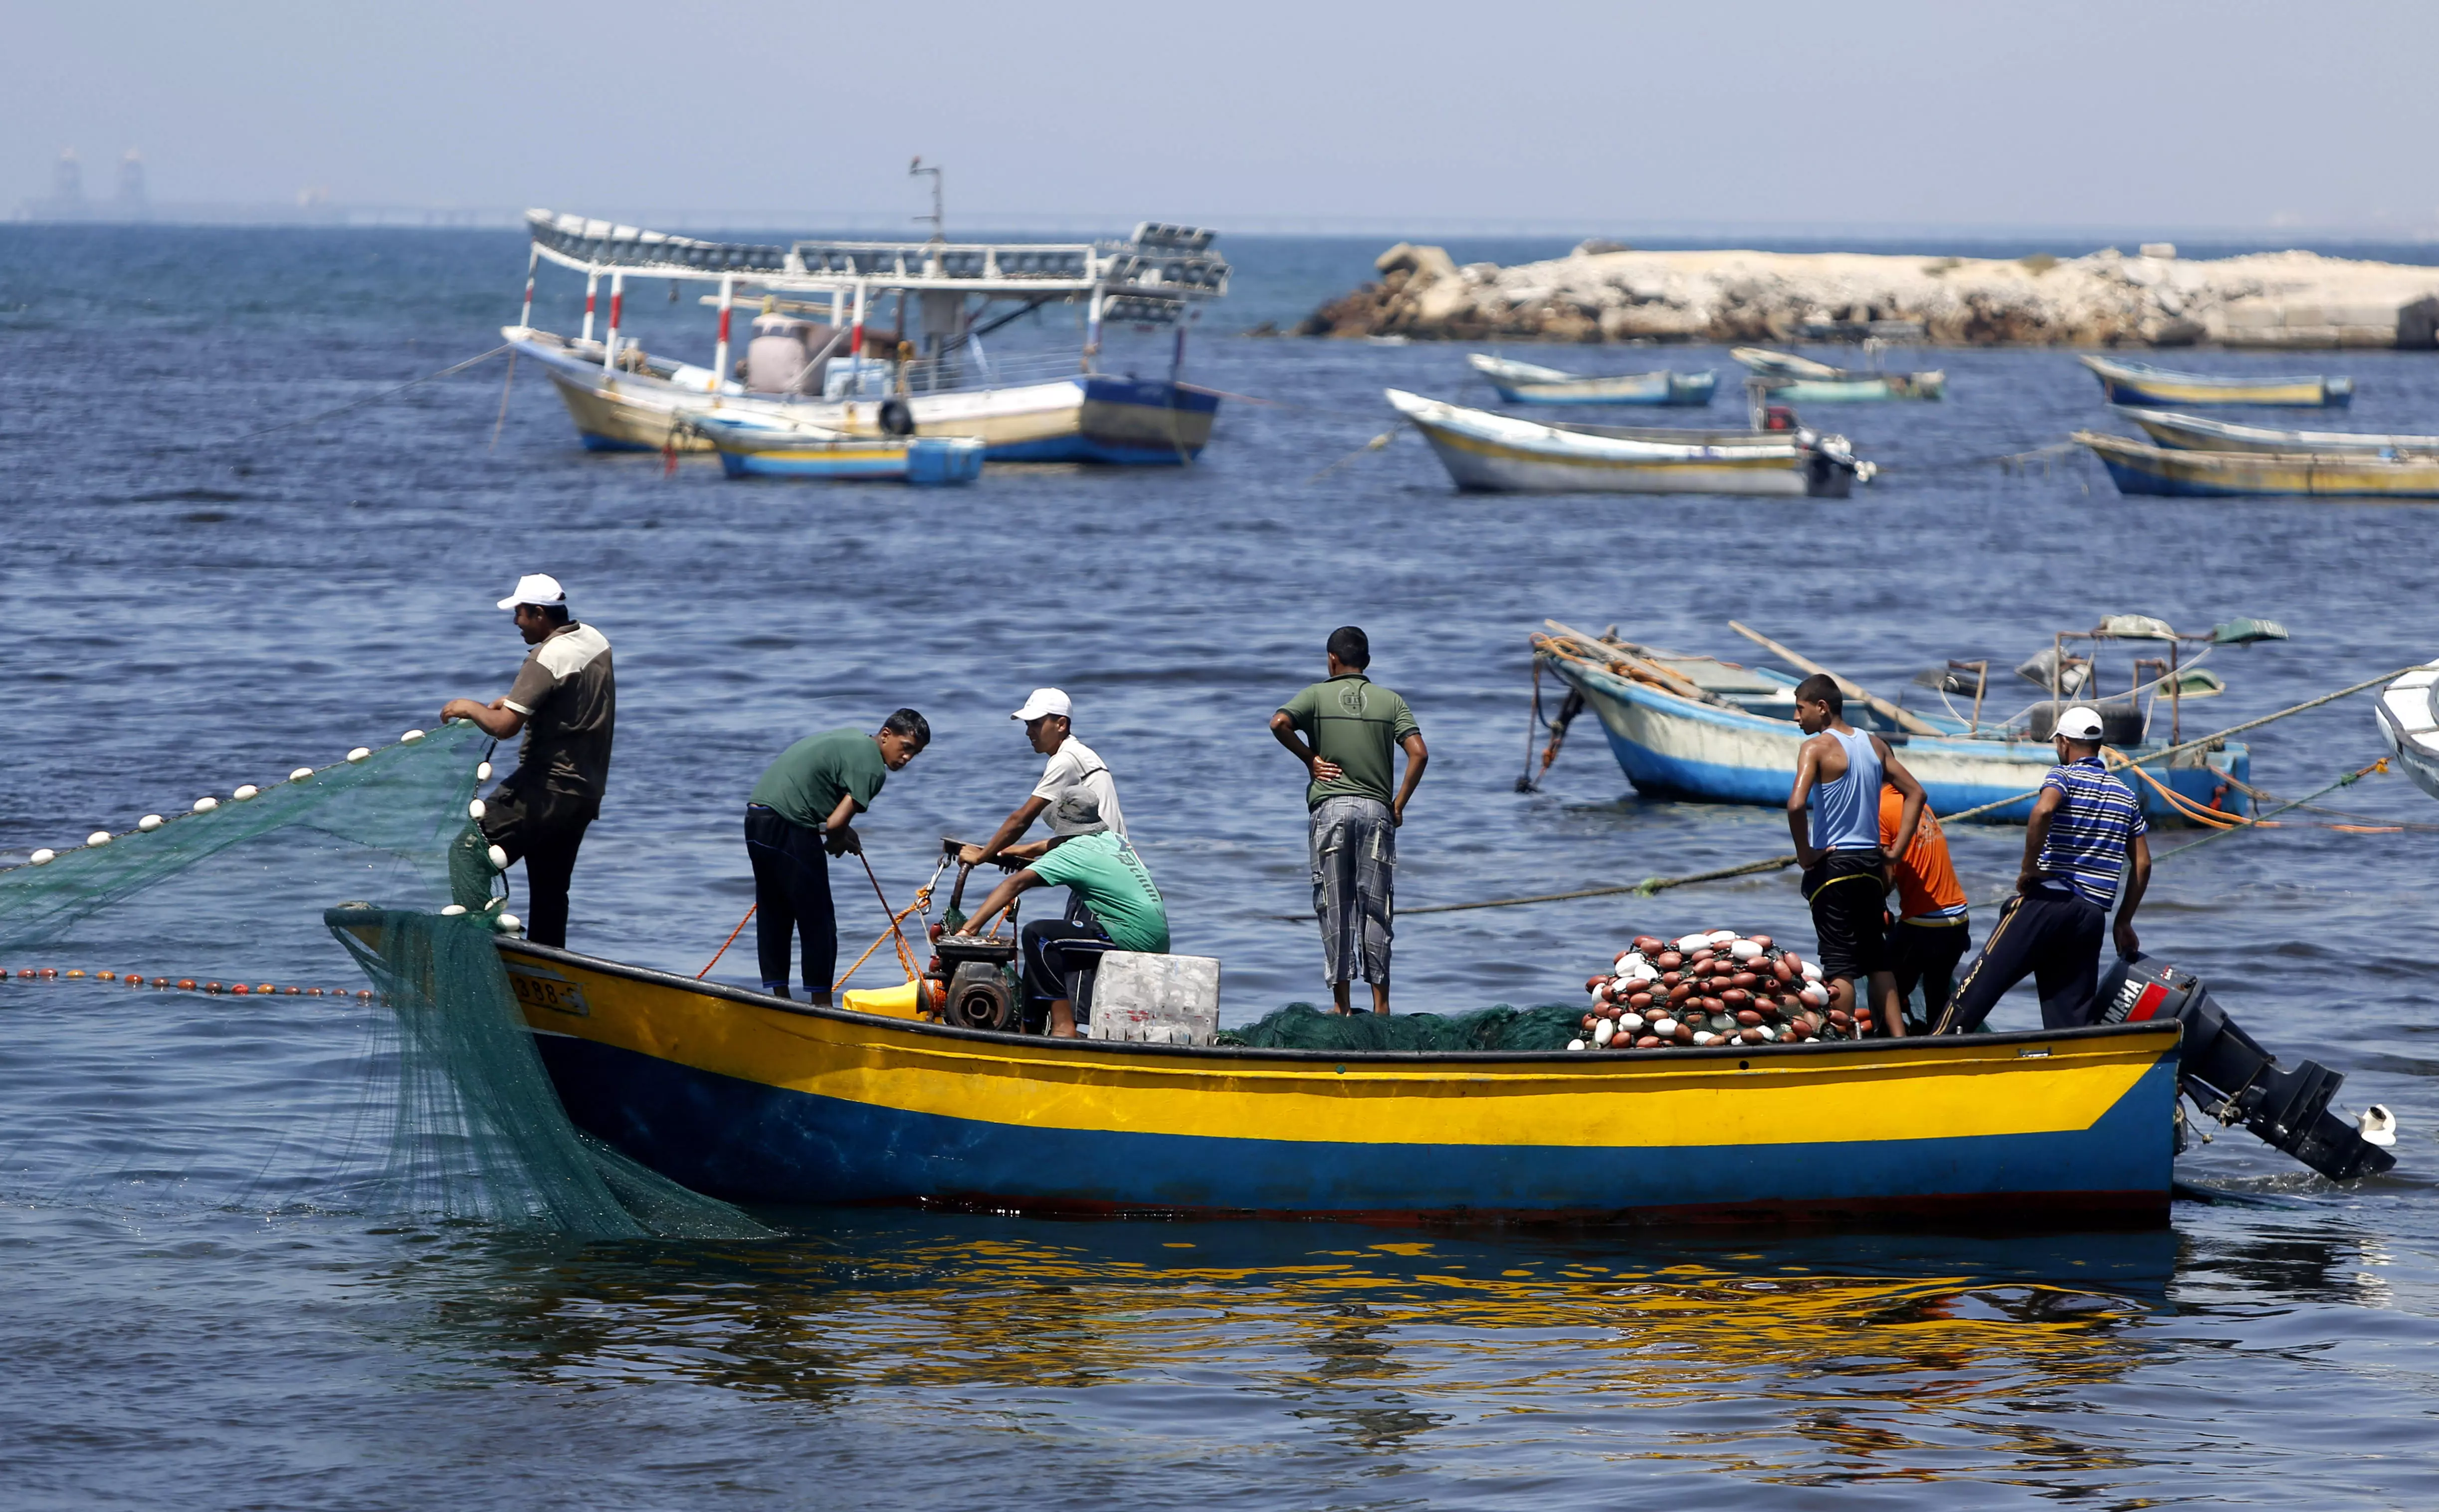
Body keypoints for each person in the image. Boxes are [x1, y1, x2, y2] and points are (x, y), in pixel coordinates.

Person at [1937, 706, 2151, 1032]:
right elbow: (2143, 864)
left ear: (2065, 744)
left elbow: (2043, 811)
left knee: (1978, 988)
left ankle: (1931, 1048)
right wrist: (2124, 921)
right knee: (2070, 1025)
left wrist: (2029, 870)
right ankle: (2076, 1074)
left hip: (2047, 904)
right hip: (2091, 917)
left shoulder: (2062, 776)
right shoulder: (2126, 796)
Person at [439, 573, 614, 949]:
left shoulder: (546, 657)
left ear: (539, 613)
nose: (516, 622)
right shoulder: (595, 641)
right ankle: (550, 968)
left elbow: (504, 728)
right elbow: (572, 703)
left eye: (519, 613)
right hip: (582, 793)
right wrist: (522, 702)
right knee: (551, 889)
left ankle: (474, 945)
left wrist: (469, 707)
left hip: (544, 788)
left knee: (468, 850)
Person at [1269, 626, 1426, 1016]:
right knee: (1376, 909)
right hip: (1377, 813)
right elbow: (1419, 753)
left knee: (1335, 906)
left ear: (1332, 659)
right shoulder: (1391, 702)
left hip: (1332, 812)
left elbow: (1278, 723)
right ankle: (1382, 1006)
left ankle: (1341, 1006)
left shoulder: (1315, 695)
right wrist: (1399, 803)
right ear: (1367, 663)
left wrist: (1310, 759)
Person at [744, 711, 930, 1005]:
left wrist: (842, 832)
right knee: (819, 920)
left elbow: (827, 807)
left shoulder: (852, 740)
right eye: (905, 747)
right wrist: (840, 839)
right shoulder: (873, 768)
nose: (907, 758)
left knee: (775, 912)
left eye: (915, 753)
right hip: (789, 823)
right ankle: (821, 1005)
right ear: (885, 735)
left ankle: (780, 1000)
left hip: (757, 817)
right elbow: (833, 826)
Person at [1786, 674, 1927, 1037]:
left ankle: (1841, 1040)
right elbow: (1917, 793)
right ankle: (1899, 1039)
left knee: (1840, 965)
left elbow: (1797, 805)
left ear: (1822, 708)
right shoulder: (1876, 745)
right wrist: (1894, 853)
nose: (1796, 718)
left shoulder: (1816, 748)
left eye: (1800, 709)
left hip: (1834, 867)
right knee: (1877, 959)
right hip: (1870, 865)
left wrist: (1805, 854)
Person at [955, 822, 1169, 1038]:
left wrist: (968, 930)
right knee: (1036, 955)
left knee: (1039, 936)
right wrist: (1001, 852)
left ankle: (1064, 1027)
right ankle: (1028, 1030)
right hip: (1155, 934)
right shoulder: (1112, 839)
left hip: (1132, 936)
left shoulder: (1073, 852)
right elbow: (1048, 845)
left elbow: (1015, 884)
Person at [959, 687, 1126, 873]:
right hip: (1113, 864)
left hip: (1103, 868)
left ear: (1061, 724)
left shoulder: (1066, 759)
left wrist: (982, 856)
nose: (1029, 732)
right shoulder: (1082, 754)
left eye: (1036, 724)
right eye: (1027, 725)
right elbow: (1085, 836)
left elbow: (1022, 818)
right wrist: (1029, 849)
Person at [1880, 781, 1971, 1034]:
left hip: (1926, 925)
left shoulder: (1879, 810)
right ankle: (1939, 1047)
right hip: (1958, 919)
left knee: (1886, 985)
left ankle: (1888, 1045)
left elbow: (1886, 879)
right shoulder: (1917, 804)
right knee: (1936, 990)